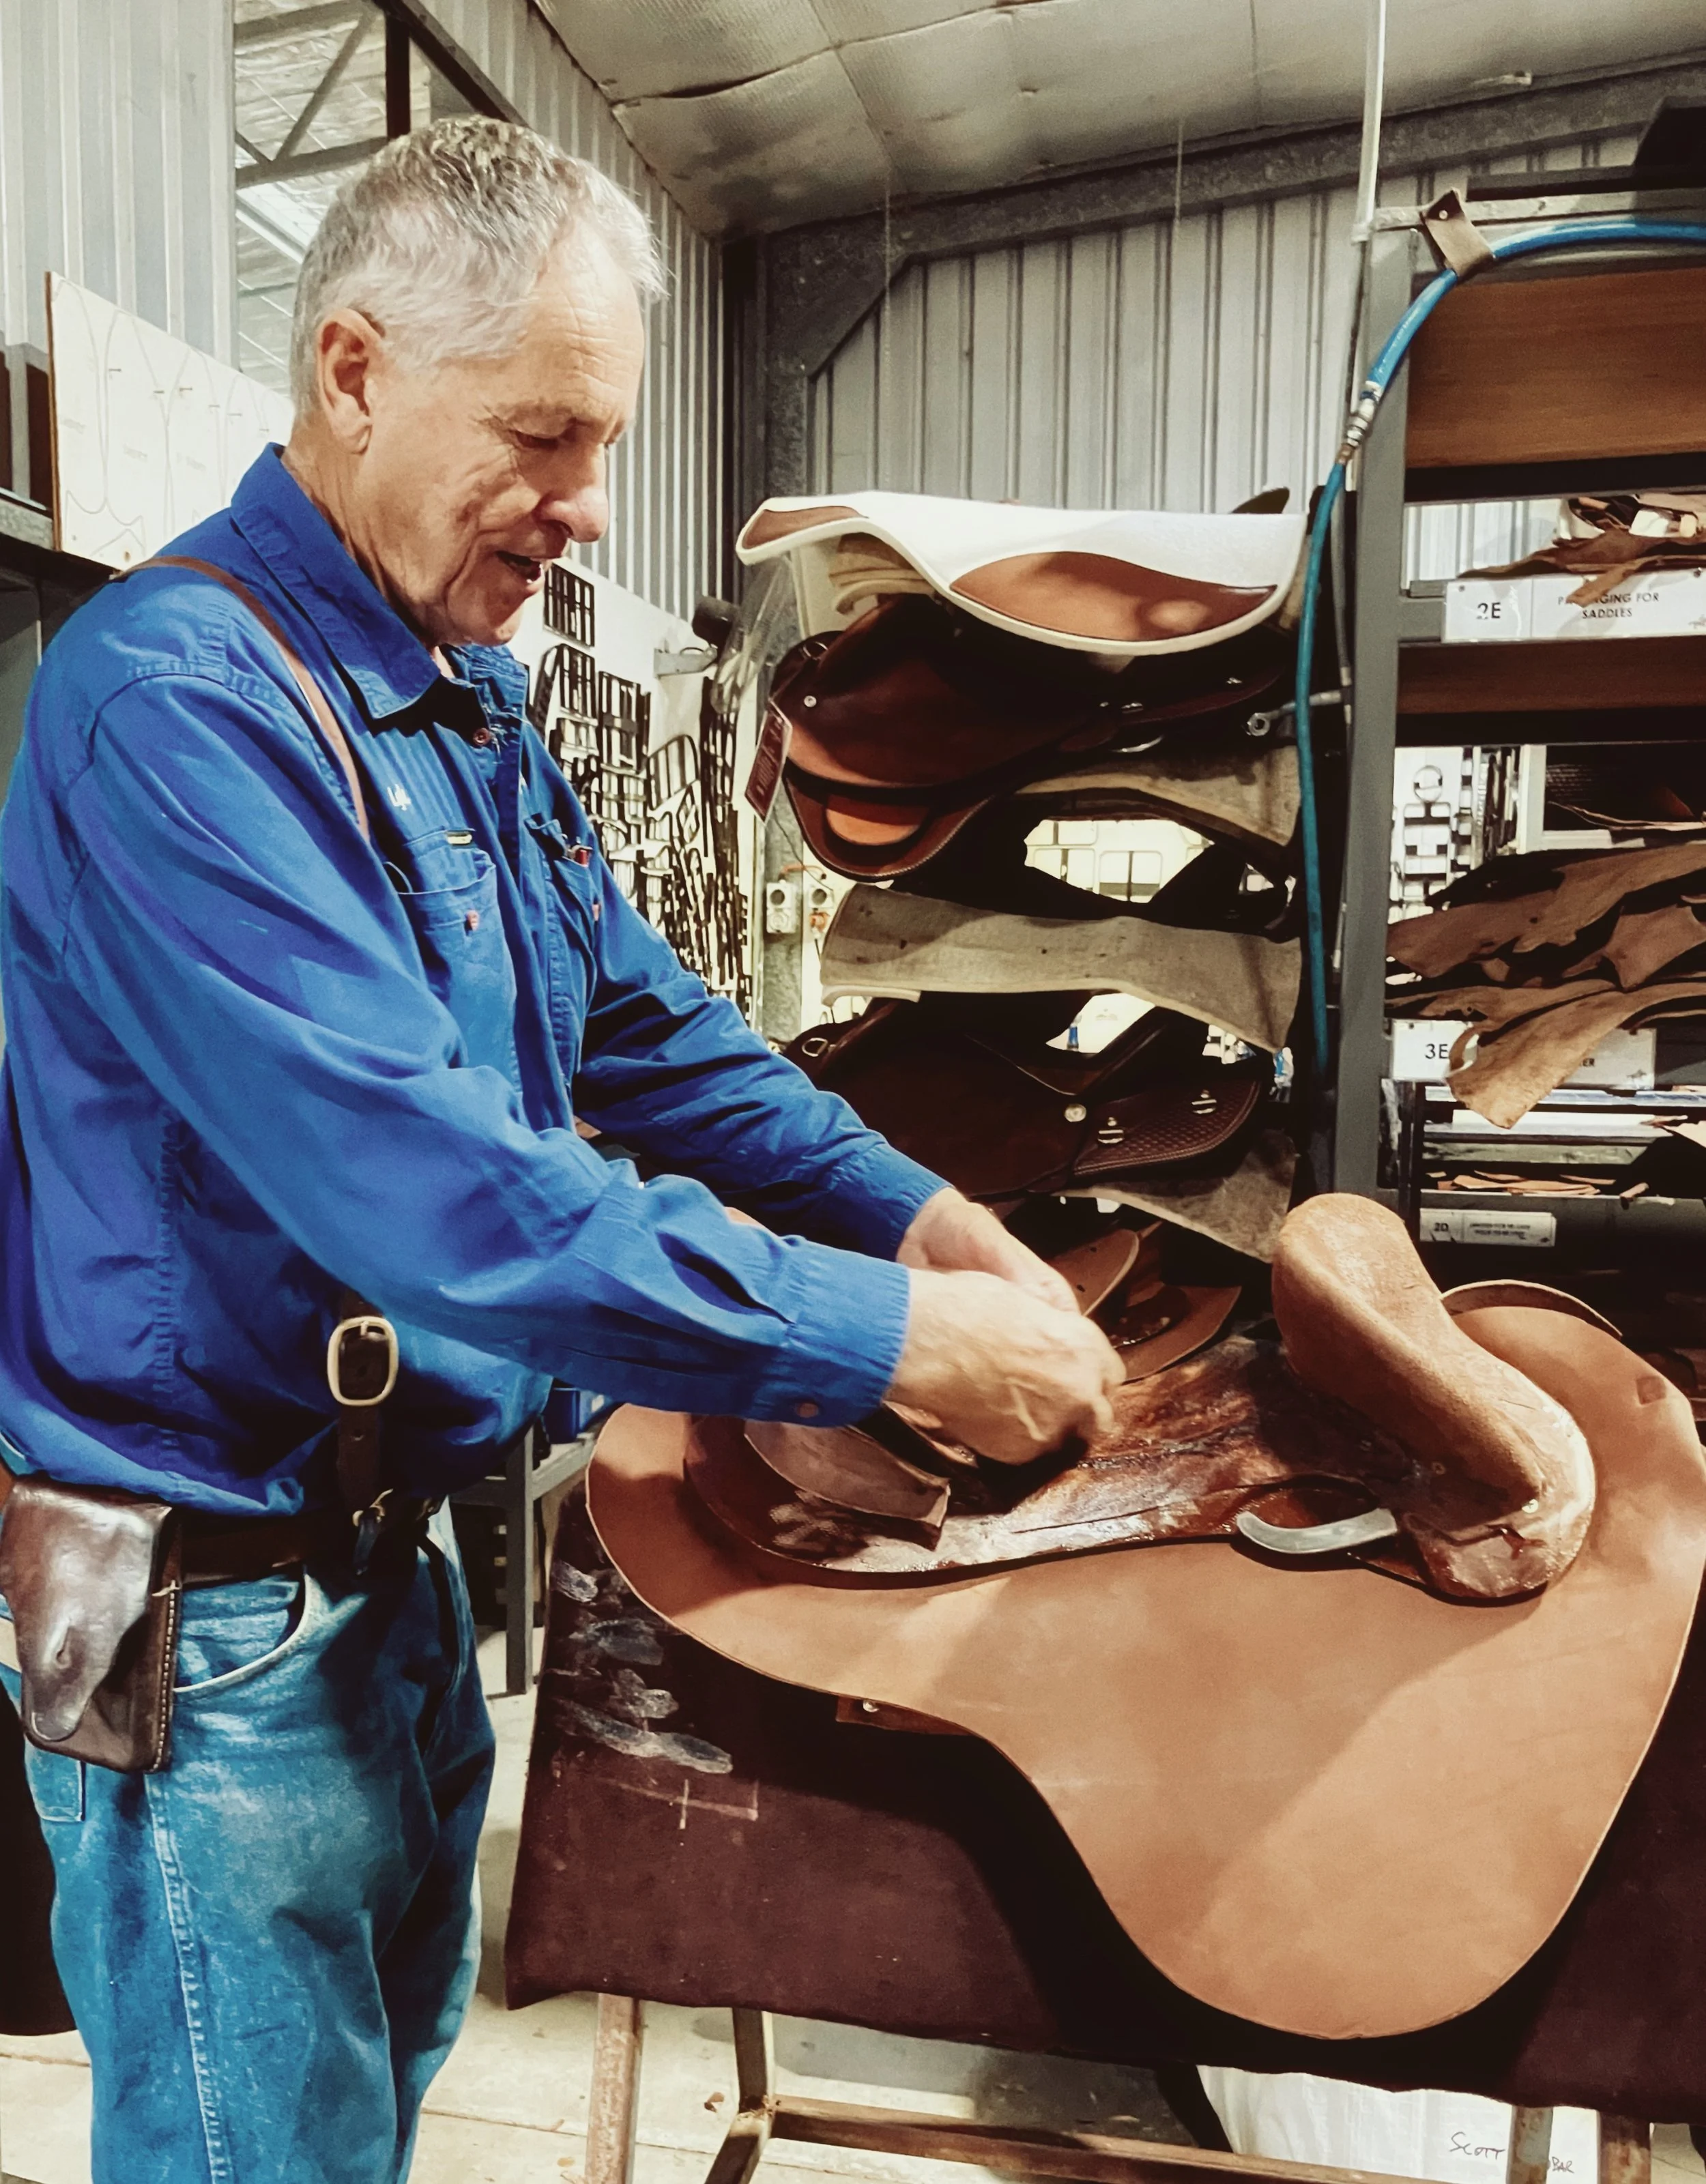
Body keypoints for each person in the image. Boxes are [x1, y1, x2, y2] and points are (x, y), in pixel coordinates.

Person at [0, 118, 1121, 2184]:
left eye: (600, 444)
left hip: (389, 1567)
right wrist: (871, 1338)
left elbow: (636, 1025)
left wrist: (917, 1210)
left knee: (357, 2116)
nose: (585, 510)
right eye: (541, 436)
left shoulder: (458, 695)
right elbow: (429, 1195)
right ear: (353, 373)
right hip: (219, 1615)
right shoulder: (174, 705)